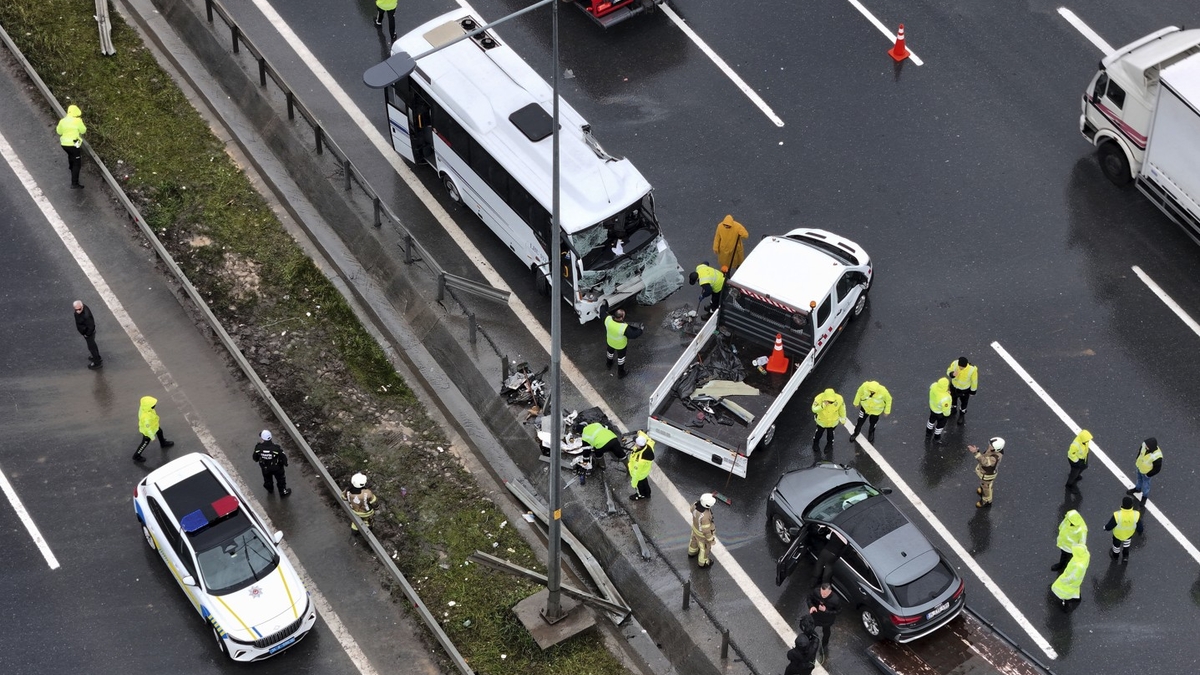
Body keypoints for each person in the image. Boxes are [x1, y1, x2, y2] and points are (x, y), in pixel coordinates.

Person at [604, 308, 643, 379]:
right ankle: (620, 373)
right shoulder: (624, 327)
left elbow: (602, 312)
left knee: (610, 353)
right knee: (621, 359)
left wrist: (604, 305)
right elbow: (633, 335)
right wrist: (640, 330)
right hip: (620, 346)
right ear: (621, 317)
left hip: (610, 342)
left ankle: (608, 364)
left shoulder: (608, 320)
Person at [1050, 543, 1090, 613]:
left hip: (1070, 581)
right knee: (1075, 589)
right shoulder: (1085, 556)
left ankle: (1066, 607)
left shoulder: (1078, 565)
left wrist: (1064, 580)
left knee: (1066, 593)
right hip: (1077, 581)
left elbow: (1073, 577)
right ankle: (1077, 598)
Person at [132, 395, 174, 462]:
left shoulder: (145, 408)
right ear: (148, 406)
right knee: (145, 443)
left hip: (154, 426)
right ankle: (136, 456)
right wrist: (152, 436)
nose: (154, 405)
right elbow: (147, 429)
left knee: (160, 432)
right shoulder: (146, 417)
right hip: (148, 431)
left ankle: (163, 443)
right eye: (153, 405)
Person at [806, 582, 841, 662]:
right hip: (816, 616)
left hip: (827, 620)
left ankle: (824, 645)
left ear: (830, 592)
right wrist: (811, 607)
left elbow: (839, 611)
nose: (823, 596)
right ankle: (806, 642)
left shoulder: (835, 600)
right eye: (822, 593)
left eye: (825, 594)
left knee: (826, 632)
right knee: (809, 628)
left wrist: (826, 610)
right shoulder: (816, 591)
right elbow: (809, 599)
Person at [252, 430, 291, 497]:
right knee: (281, 480)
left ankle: (269, 489)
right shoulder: (276, 448)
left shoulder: (258, 448)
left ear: (262, 438)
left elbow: (255, 458)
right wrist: (285, 463)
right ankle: (283, 492)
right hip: (277, 468)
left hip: (265, 468)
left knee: (267, 479)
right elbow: (283, 456)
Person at [1104, 495, 1142, 562]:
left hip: (1118, 535)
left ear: (1122, 504)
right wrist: (1140, 532)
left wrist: (1105, 528)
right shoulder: (1136, 514)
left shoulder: (1117, 515)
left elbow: (1110, 525)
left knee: (1116, 546)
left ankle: (1115, 557)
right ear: (1131, 505)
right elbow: (1139, 526)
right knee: (1126, 545)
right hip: (1128, 534)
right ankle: (1125, 557)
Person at [56, 104, 86, 188]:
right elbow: (83, 130)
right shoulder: (78, 121)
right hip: (74, 144)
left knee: (70, 155)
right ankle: (74, 183)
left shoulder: (63, 120)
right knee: (77, 163)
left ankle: (71, 167)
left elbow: (59, 131)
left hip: (64, 144)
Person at [969, 437, 1004, 508]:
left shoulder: (995, 458)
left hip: (987, 475)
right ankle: (982, 489)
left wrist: (976, 453)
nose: (989, 446)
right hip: (984, 473)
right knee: (983, 484)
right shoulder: (993, 449)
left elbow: (985, 462)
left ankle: (986, 501)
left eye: (991, 445)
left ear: (996, 448)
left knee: (986, 489)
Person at [1126, 437, 1162, 502]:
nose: (1145, 446)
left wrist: (1148, 475)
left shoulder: (1157, 456)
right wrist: (1137, 459)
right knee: (1139, 479)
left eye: (1147, 446)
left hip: (1146, 472)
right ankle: (1137, 489)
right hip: (1139, 467)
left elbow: (1157, 469)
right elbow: (1140, 451)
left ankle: (1144, 497)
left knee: (1146, 485)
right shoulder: (1144, 445)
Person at [946, 356, 978, 425]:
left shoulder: (972, 370)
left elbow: (974, 381)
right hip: (954, 387)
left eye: (962, 367)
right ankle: (953, 409)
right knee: (953, 399)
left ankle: (962, 415)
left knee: (964, 403)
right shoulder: (955, 363)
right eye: (960, 366)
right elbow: (948, 370)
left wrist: (973, 391)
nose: (960, 368)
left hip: (964, 390)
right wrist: (952, 374)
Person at [688, 493, 717, 568]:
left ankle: (692, 552)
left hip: (695, 529)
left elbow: (691, 509)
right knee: (704, 549)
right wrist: (711, 540)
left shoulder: (695, 505)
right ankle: (703, 563)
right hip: (702, 536)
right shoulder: (705, 516)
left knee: (693, 542)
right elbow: (706, 531)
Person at [73, 300, 102, 369]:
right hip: (86, 332)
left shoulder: (86, 315)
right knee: (93, 345)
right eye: (76, 309)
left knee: (92, 347)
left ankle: (97, 362)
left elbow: (91, 326)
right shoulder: (82, 310)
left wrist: (87, 334)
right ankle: (97, 357)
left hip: (88, 333)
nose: (78, 311)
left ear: (82, 306)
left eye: (79, 309)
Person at [627, 431, 654, 500]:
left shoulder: (640, 461)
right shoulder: (648, 446)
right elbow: (649, 439)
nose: (635, 444)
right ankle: (648, 493)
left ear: (639, 446)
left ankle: (640, 495)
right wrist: (640, 432)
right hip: (644, 473)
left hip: (639, 475)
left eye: (636, 443)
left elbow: (636, 473)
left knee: (640, 486)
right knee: (645, 482)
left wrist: (633, 483)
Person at [926, 377, 952, 443]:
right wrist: (947, 415)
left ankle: (928, 432)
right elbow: (946, 410)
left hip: (933, 408)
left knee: (931, 420)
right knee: (940, 425)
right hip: (940, 413)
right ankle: (936, 437)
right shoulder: (945, 398)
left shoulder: (934, 386)